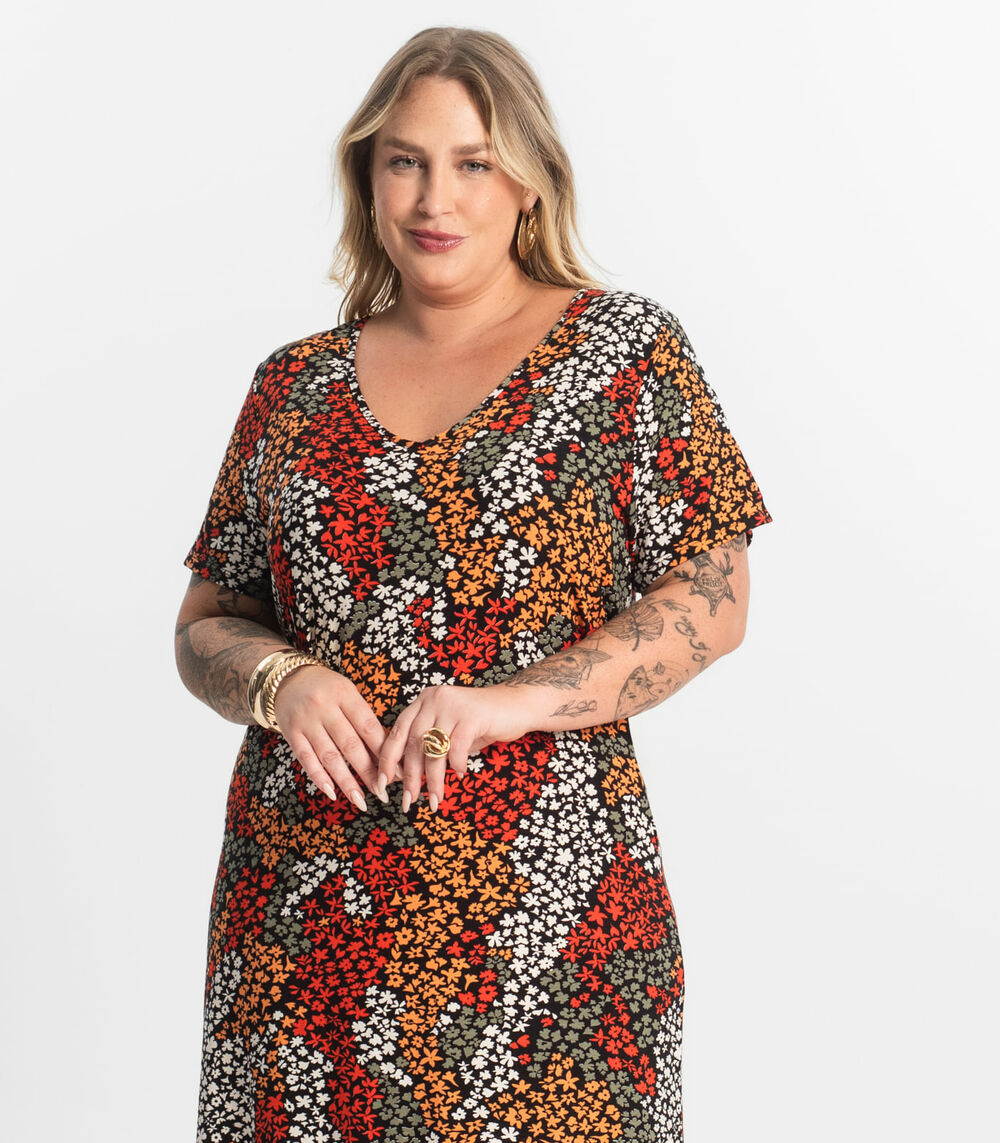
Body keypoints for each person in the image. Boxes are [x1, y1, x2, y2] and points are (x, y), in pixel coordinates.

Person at [175, 25, 772, 1143]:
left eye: (473, 162)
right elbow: (207, 623)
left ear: (529, 183)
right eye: (404, 160)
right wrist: (281, 682)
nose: (433, 198)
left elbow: (714, 598)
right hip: (303, 931)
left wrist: (511, 703)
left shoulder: (621, 352)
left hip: (549, 932)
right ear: (367, 176)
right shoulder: (292, 386)